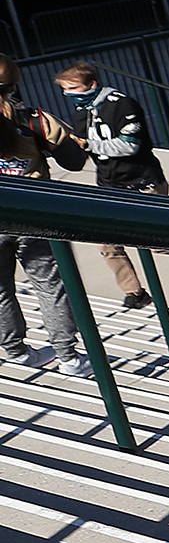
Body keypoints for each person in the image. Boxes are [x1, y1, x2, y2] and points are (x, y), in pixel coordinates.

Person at [52, 61, 169, 308]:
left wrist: (89, 145)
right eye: (65, 90)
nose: (69, 94)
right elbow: (81, 149)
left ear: (92, 84)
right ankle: (135, 292)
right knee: (106, 243)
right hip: (110, 185)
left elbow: (129, 145)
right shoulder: (82, 112)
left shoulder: (123, 105)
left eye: (73, 88)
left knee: (157, 244)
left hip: (142, 182)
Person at [0, 59, 90, 378]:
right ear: (14, 85)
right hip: (32, 215)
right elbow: (75, 161)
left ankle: (16, 353)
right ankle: (68, 357)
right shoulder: (35, 120)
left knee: (1, 289)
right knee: (50, 284)